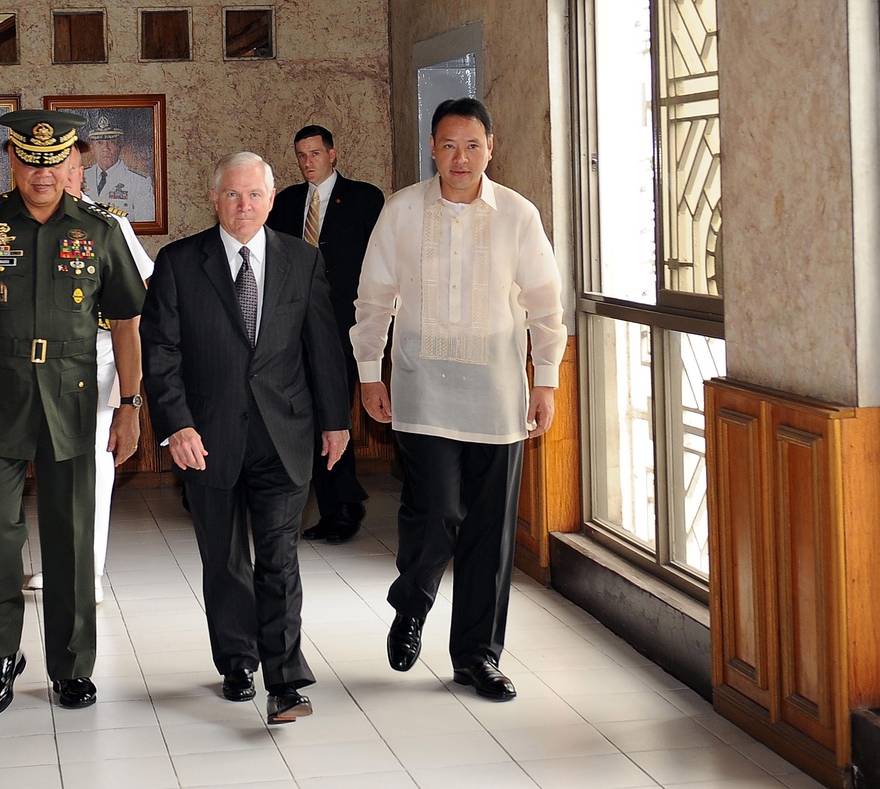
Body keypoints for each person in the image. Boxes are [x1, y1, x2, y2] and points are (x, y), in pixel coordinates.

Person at [0, 109, 147, 718]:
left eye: (53, 161)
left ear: (72, 162)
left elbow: (126, 323)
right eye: (29, 161)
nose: (42, 174)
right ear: (12, 161)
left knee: (71, 536)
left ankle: (71, 666)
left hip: (72, 399)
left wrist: (131, 405)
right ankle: (0, 656)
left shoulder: (102, 230)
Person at [351, 98, 567, 702]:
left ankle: (477, 656)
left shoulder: (518, 216)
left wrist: (545, 379)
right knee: (435, 510)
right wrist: (371, 372)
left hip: (498, 396)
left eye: (472, 146)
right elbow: (374, 297)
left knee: (490, 532)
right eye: (448, 145)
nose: (461, 158)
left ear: (491, 148)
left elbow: (545, 304)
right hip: (422, 391)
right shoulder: (401, 211)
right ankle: (413, 604)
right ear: (432, 148)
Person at [140, 152, 351, 725]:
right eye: (233, 195)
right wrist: (175, 424)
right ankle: (237, 659)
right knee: (225, 558)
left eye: (255, 195)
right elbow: (161, 354)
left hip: (285, 433)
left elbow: (323, 347)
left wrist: (336, 420)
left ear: (272, 197)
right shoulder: (180, 262)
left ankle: (285, 682)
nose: (244, 206)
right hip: (205, 439)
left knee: (279, 558)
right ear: (215, 199)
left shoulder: (301, 260)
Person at [0, 142, 156, 605]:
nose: (60, 176)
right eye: (42, 165)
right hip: (22, 372)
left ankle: (87, 572)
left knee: (91, 469)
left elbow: (137, 295)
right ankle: (5, 567)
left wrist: (130, 394)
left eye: (70, 168)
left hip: (95, 363)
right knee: (2, 487)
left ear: (80, 171)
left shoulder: (107, 224)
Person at [267, 125, 384, 543]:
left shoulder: (364, 198)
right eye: (301, 155)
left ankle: (344, 507)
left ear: (333, 154)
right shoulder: (286, 202)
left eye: (315, 153)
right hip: (296, 327)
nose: (308, 162)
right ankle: (338, 505)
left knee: (335, 413)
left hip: (346, 325)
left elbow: (378, 262)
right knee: (311, 416)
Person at [82, 114, 156, 222]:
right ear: (92, 148)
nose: (105, 148)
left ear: (120, 145)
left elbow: (146, 225)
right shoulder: (81, 176)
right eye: (99, 143)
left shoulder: (139, 182)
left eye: (111, 142)